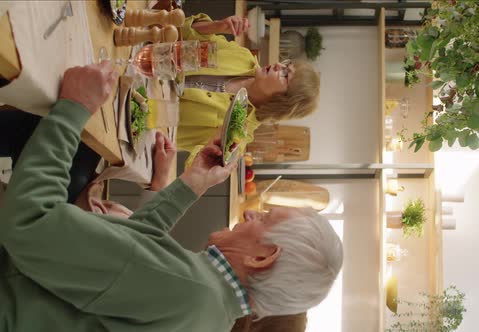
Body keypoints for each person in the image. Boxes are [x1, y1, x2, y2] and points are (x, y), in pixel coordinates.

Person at [0, 62, 342, 331]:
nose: (251, 215)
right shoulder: (208, 311)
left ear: (263, 257)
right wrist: (190, 184)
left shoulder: (187, 289)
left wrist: (73, 108)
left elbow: (29, 221)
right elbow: (130, 248)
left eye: (265, 220)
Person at [178, 13, 321, 167]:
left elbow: (197, 166)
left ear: (283, 100)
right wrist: (217, 26)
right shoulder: (243, 57)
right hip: (150, 62)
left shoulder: (238, 131)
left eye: (285, 74)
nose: (279, 65)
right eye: (286, 65)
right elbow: (182, 34)